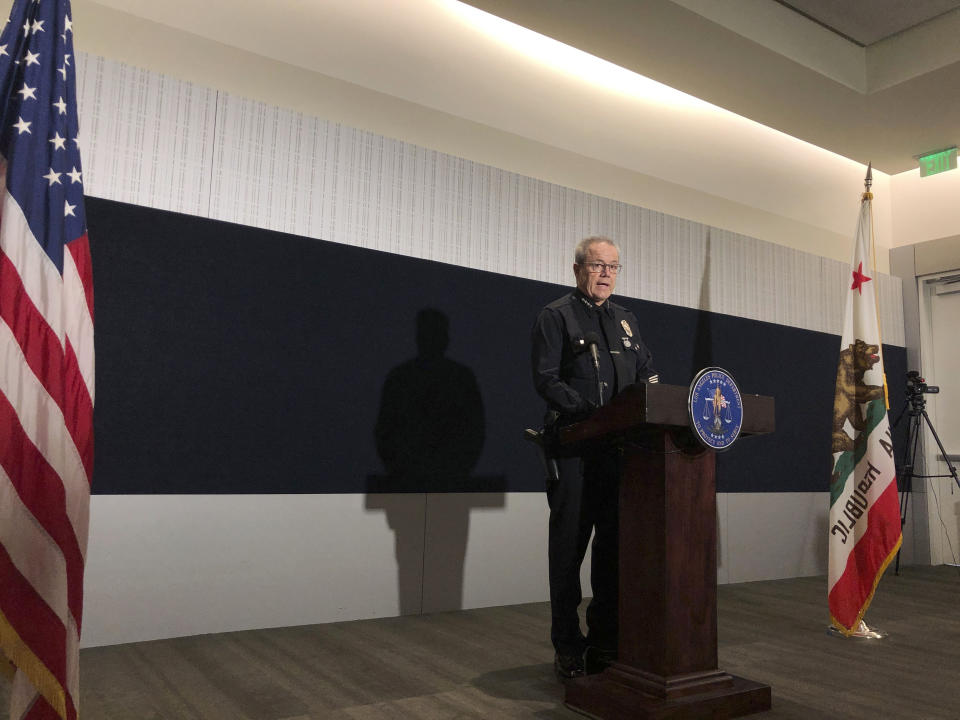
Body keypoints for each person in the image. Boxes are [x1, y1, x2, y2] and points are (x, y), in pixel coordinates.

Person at [530, 236, 657, 680]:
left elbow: (645, 376)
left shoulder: (626, 320)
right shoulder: (555, 316)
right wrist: (593, 415)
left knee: (612, 552)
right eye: (598, 265)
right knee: (568, 553)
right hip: (574, 451)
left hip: (619, 454)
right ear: (577, 269)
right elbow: (546, 379)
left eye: (614, 267)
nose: (606, 274)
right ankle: (567, 645)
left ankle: (605, 642)